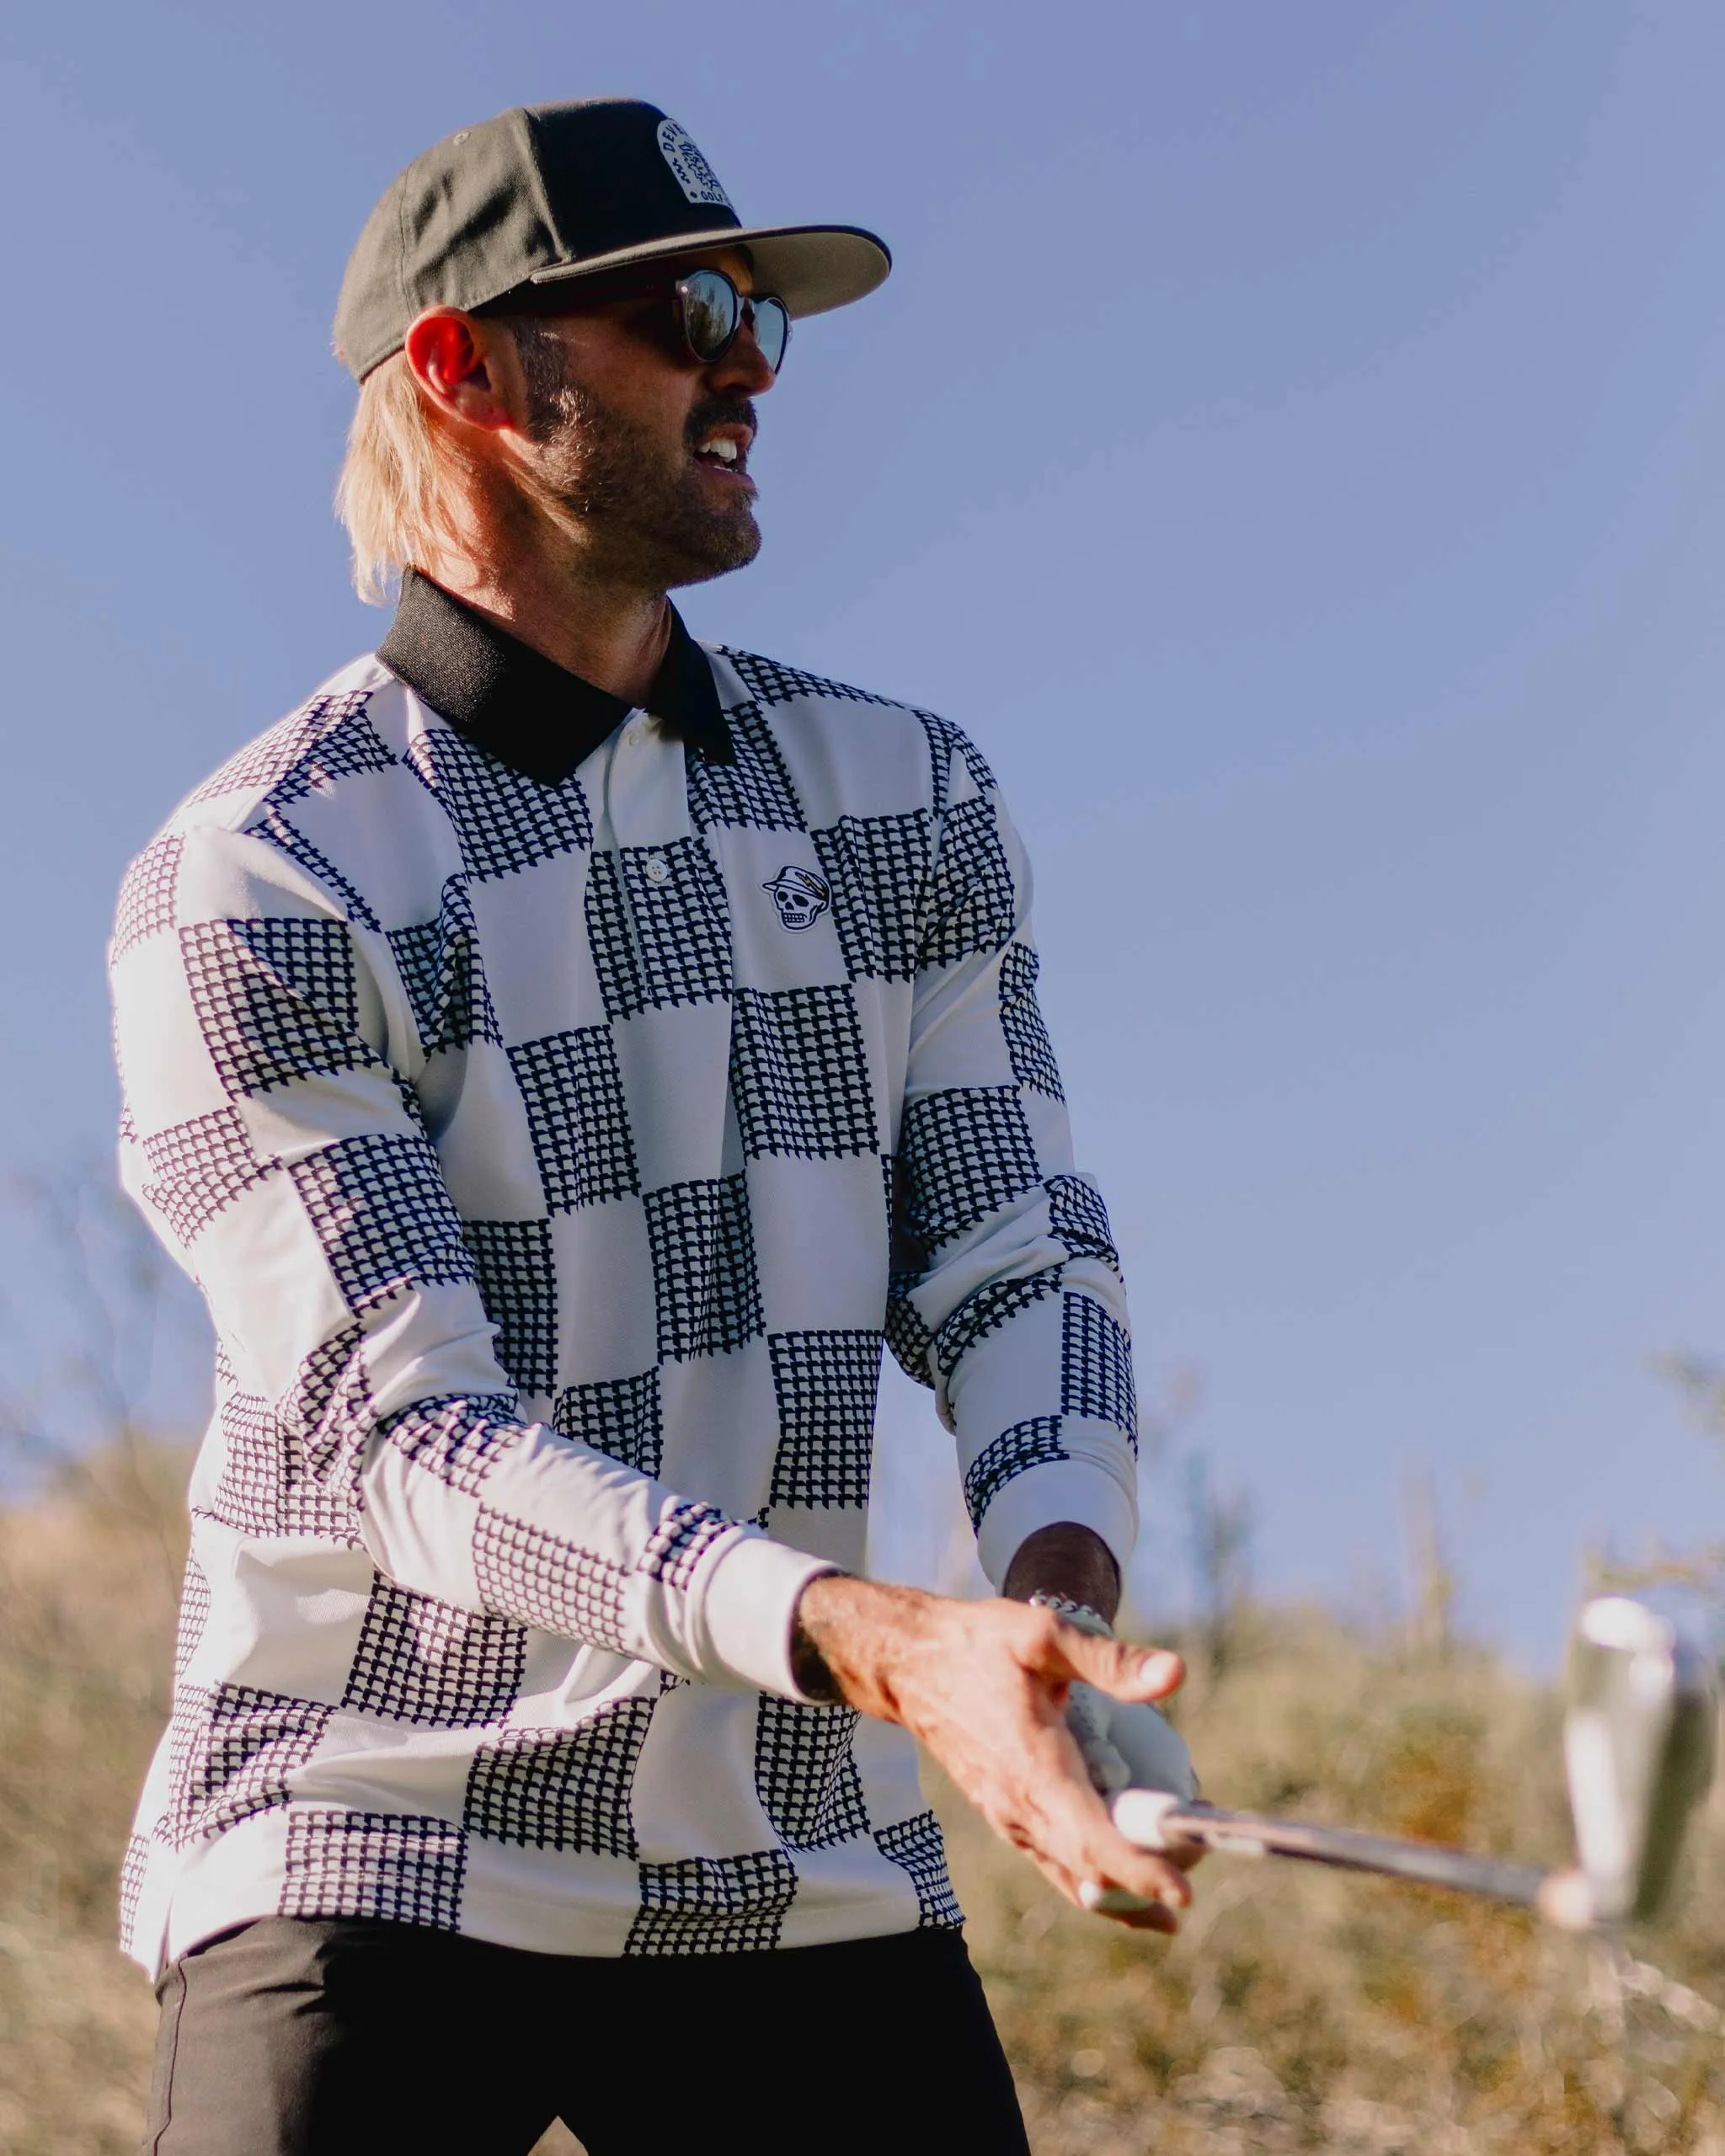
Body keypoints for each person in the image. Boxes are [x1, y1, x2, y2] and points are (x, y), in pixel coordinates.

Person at [110, 98, 1199, 2155]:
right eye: (694, 310)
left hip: (793, 1851)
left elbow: (1015, 1253)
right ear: (467, 373)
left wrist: (1040, 1605)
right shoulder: (265, 870)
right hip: (368, 1826)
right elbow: (409, 1443)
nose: (753, 367)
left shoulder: (906, 796)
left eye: (765, 320)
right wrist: (881, 1644)